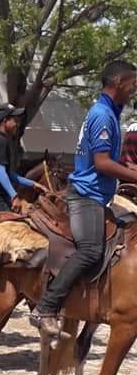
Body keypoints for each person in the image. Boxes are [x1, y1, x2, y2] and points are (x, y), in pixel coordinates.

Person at [31, 59, 137, 337]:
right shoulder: (102, 115)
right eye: (132, 85)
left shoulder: (109, 114)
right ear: (119, 83)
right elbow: (102, 163)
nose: (134, 91)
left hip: (99, 195)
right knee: (90, 249)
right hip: (86, 196)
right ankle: (46, 306)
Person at [0, 104, 45, 212]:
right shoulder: (1, 142)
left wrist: (32, 184)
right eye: (15, 120)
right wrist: (14, 197)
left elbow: (9, 174)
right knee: (17, 226)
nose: (18, 124)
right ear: (4, 121)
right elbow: (0, 173)